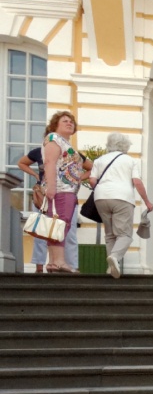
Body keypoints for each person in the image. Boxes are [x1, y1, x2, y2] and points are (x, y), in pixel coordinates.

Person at [88, 133, 153, 279]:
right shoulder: (129, 160)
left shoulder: (99, 160)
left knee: (110, 234)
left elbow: (92, 181)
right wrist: (147, 202)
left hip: (101, 198)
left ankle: (111, 268)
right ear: (125, 145)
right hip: (122, 198)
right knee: (124, 235)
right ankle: (115, 257)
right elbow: (137, 182)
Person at [41, 111, 89, 273]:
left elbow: (86, 167)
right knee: (60, 223)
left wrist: (79, 178)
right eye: (65, 121)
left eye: (71, 122)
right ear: (55, 125)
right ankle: (59, 261)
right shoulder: (54, 139)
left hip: (68, 190)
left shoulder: (66, 144)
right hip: (60, 189)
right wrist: (52, 186)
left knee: (60, 224)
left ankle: (54, 262)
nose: (69, 123)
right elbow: (49, 162)